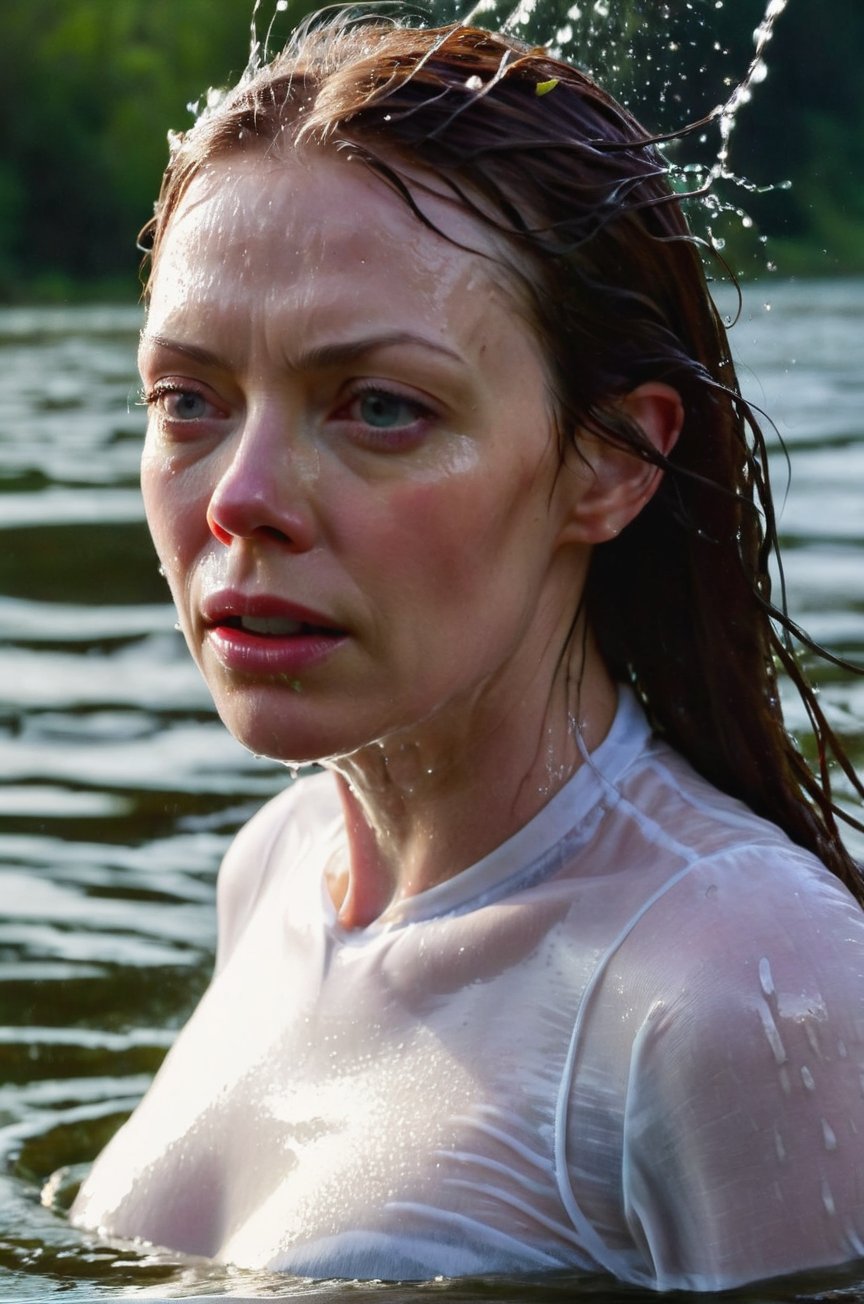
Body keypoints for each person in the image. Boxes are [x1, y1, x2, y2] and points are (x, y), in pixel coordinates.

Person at [71, 14, 864, 1293]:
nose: (243, 497)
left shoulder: (743, 992)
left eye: (381, 405)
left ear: (612, 458)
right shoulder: (274, 870)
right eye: (189, 400)